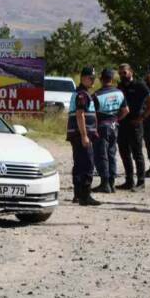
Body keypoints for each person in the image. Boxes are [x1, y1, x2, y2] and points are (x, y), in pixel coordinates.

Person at [67, 67, 100, 206]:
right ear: (83, 78)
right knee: (87, 164)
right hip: (81, 135)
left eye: (94, 78)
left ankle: (78, 195)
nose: (93, 80)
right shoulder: (82, 95)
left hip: (77, 135)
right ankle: (85, 196)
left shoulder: (83, 93)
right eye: (90, 78)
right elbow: (80, 115)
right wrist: (84, 135)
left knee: (79, 164)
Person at [92, 68, 129, 193]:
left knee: (101, 155)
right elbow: (126, 110)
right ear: (112, 79)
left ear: (101, 79)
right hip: (114, 126)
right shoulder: (119, 93)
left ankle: (105, 183)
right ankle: (112, 183)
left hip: (101, 127)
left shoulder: (96, 95)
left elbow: (93, 115)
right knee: (112, 154)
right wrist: (116, 119)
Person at [117, 63, 150, 191]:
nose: (122, 75)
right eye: (120, 73)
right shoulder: (120, 86)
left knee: (137, 153)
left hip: (135, 124)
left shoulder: (140, 85)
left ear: (131, 72)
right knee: (124, 152)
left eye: (124, 73)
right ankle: (129, 181)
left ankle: (141, 182)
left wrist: (142, 118)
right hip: (122, 124)